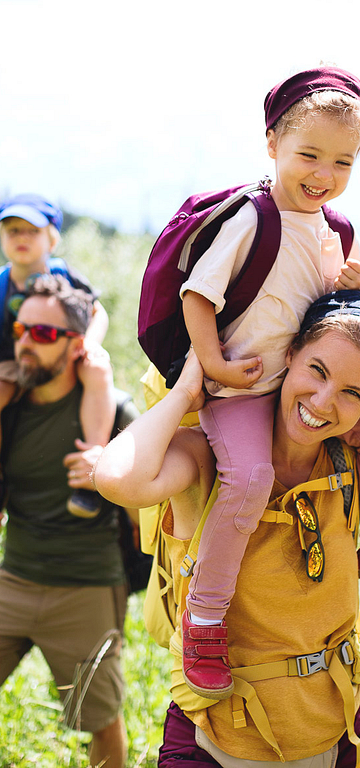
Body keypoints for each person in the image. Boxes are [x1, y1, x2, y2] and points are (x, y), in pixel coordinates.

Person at [94, 290, 360, 767]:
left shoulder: (349, 467)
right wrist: (186, 392)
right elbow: (119, 480)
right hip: (214, 739)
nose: (323, 402)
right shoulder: (209, 458)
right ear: (290, 354)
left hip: (332, 732)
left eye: (353, 393)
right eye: (317, 371)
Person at [175, 65, 360, 698]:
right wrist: (215, 367)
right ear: (273, 144)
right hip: (241, 393)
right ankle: (204, 619)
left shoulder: (333, 230)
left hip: (298, 393)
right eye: (309, 154)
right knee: (249, 479)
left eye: (343, 162)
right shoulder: (253, 219)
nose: (324, 175)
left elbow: (328, 316)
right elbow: (197, 295)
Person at [0, 275, 138, 768]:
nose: (24, 344)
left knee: (99, 719)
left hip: (85, 588)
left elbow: (150, 513)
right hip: (12, 578)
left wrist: (111, 472)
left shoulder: (115, 410)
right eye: (20, 330)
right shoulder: (10, 406)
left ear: (76, 346)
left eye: (42, 335)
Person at [0, 193, 116, 519]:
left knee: (98, 370)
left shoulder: (63, 274)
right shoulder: (2, 283)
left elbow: (98, 312)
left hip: (64, 353)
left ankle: (92, 460)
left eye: (32, 231)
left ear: (51, 238)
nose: (22, 238)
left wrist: (90, 344)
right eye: (13, 231)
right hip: (13, 360)